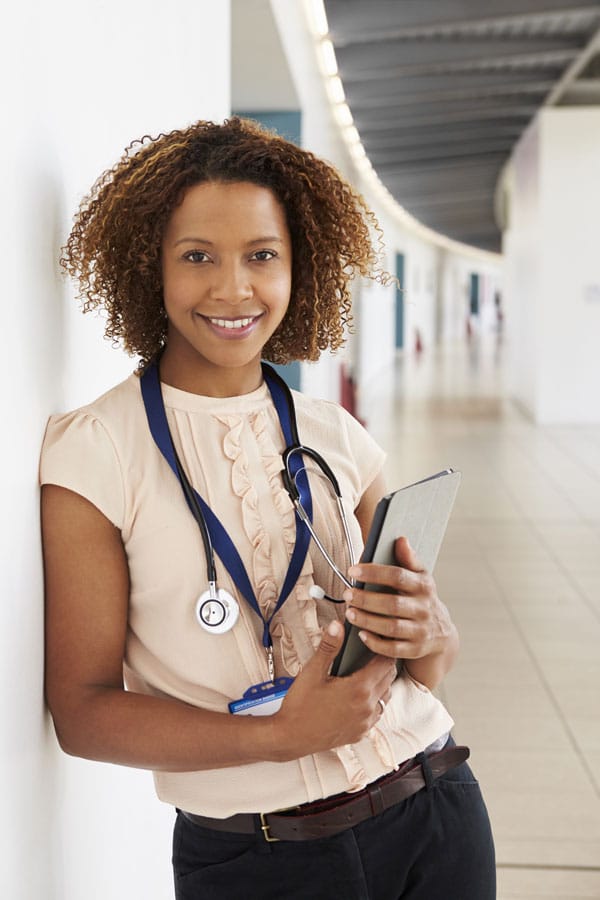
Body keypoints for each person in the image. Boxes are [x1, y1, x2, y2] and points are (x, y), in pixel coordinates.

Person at [40, 117, 495, 899]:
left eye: (261, 256)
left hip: (434, 808)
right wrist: (285, 736)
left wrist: (433, 633)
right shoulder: (97, 452)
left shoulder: (336, 436)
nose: (232, 289)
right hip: (262, 860)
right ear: (150, 267)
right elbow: (82, 713)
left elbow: (426, 667)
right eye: (196, 257)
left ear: (299, 267)